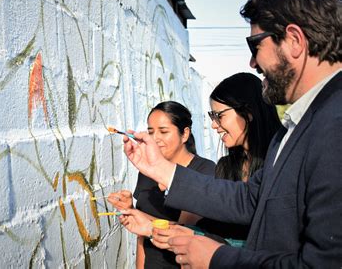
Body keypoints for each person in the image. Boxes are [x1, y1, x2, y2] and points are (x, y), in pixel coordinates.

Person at [122, 0, 342, 268]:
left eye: (255, 46)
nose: (253, 63)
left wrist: (216, 258)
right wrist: (161, 168)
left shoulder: (334, 125)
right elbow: (250, 200)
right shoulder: (299, 125)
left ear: (294, 40)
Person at [121, 73, 283, 248]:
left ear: (248, 113)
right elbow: (213, 235)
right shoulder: (226, 167)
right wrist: (150, 227)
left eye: (219, 116)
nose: (213, 124)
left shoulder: (281, 164)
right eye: (212, 116)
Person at [108, 101, 215, 268]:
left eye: (164, 131)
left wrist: (142, 221)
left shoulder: (203, 171)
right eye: (151, 132)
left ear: (184, 134)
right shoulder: (147, 170)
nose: (155, 138)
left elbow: (185, 231)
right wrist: (132, 211)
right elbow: (141, 236)